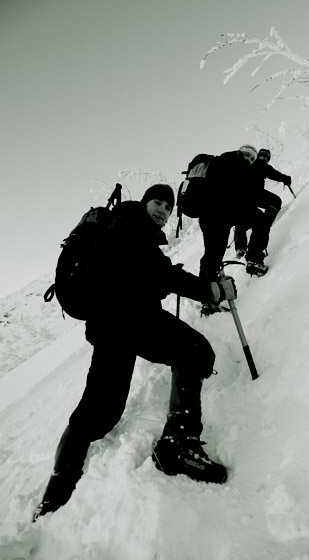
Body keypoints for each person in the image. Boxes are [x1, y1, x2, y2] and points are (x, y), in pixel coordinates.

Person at [33, 184, 236, 521]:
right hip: (130, 319)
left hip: (114, 324)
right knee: (195, 351)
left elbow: (147, 276)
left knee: (99, 411)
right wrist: (211, 289)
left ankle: (55, 496)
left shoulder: (123, 229)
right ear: (144, 203)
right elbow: (160, 274)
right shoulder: (130, 226)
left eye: (168, 208)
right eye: (157, 202)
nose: (162, 211)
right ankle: (178, 446)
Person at [198, 144, 258, 315]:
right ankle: (208, 299)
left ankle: (209, 295)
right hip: (217, 216)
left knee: (213, 254)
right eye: (247, 155)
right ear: (240, 152)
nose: (249, 159)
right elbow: (235, 193)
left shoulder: (223, 160)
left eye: (252, 158)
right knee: (212, 255)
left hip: (214, 216)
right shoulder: (233, 161)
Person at [233, 148, 292, 276]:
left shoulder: (245, 166)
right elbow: (270, 172)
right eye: (263, 156)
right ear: (258, 157)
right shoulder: (258, 164)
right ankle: (254, 259)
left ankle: (241, 246)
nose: (264, 159)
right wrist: (284, 178)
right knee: (271, 209)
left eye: (267, 158)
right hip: (252, 196)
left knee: (248, 220)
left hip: (240, 202)